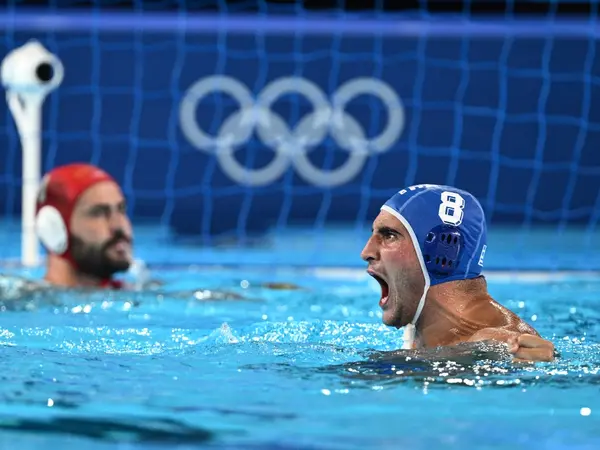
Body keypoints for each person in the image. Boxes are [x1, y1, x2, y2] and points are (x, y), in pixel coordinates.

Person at [361, 183, 555, 363]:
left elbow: (503, 344)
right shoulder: (423, 330)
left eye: (389, 235)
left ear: (443, 252)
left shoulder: (485, 339)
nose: (366, 252)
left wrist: (512, 351)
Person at [35, 163, 133, 289]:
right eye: (98, 213)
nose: (119, 226)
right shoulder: (24, 298)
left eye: (121, 209)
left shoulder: (137, 291)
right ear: (54, 228)